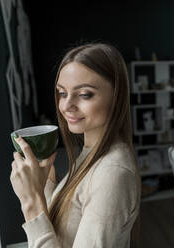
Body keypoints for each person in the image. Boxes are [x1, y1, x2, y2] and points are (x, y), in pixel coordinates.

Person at [10, 43, 141, 247]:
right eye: (62, 93)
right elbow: (62, 231)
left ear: (116, 96)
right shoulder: (89, 154)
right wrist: (45, 185)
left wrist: (30, 203)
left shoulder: (112, 173)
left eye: (84, 94)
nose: (66, 105)